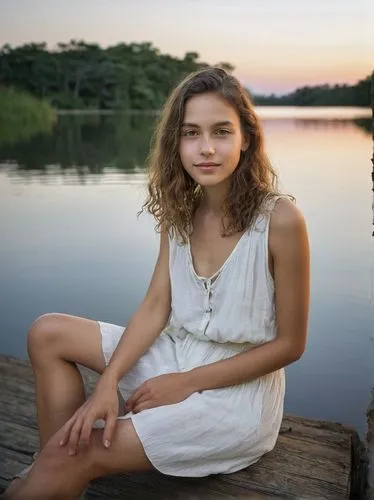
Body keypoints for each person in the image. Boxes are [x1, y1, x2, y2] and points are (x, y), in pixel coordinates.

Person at [4, 67, 310, 500]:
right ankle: (53, 468)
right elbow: (155, 307)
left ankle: (57, 468)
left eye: (221, 131)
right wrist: (109, 382)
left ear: (247, 138)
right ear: (176, 143)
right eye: (191, 133)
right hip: (175, 353)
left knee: (76, 454)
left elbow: (290, 345)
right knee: (47, 332)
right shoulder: (180, 213)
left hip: (236, 400)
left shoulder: (280, 220)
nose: (206, 148)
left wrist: (185, 384)